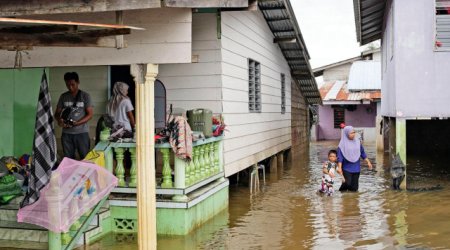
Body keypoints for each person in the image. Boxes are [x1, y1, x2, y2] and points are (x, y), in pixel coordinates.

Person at [55, 72, 93, 159]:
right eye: (68, 85)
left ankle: (84, 173)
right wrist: (59, 120)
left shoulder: (85, 96)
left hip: (82, 133)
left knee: (85, 157)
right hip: (66, 134)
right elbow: (57, 113)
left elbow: (90, 115)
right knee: (68, 159)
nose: (70, 87)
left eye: (73, 84)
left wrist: (77, 123)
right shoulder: (63, 96)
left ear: (78, 82)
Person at [337, 126, 373, 192]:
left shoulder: (358, 142)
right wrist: (339, 167)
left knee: (354, 188)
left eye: (354, 132)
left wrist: (368, 162)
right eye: (351, 133)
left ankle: (353, 200)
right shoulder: (342, 144)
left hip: (356, 167)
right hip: (346, 167)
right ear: (346, 134)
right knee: (347, 183)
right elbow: (340, 157)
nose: (353, 134)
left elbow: (362, 152)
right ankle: (341, 193)